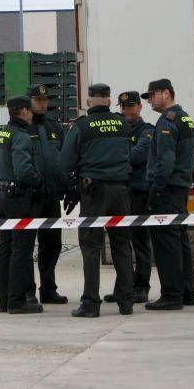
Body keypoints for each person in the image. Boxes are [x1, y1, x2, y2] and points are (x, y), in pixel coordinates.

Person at [58, 83, 134, 318]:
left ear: (89, 101)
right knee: (122, 245)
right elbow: (128, 153)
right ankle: (126, 301)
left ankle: (91, 303)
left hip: (94, 192)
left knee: (91, 247)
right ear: (110, 101)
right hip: (121, 191)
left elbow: (64, 163)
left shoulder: (82, 126)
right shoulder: (122, 123)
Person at [141, 78, 194, 310]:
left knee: (166, 243)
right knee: (180, 240)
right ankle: (187, 292)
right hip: (180, 187)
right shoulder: (184, 117)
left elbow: (165, 161)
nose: (150, 101)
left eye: (152, 95)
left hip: (167, 189)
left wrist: (157, 189)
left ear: (166, 93)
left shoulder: (168, 120)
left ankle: (171, 295)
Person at [0, 95, 44, 314]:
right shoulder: (22, 136)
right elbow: (24, 170)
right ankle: (17, 301)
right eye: (31, 111)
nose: (32, 114)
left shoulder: (3, 133)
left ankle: (3, 300)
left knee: (5, 248)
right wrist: (39, 181)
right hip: (19, 198)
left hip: (4, 194)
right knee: (21, 250)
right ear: (23, 111)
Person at [104, 91, 155, 304]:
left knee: (141, 242)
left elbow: (136, 155)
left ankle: (142, 286)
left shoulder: (147, 132)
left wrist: (114, 158)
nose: (127, 111)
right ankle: (123, 288)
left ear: (140, 108)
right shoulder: (118, 130)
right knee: (121, 243)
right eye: (123, 107)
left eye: (131, 107)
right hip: (121, 193)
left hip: (139, 193)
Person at [24, 83, 69, 306]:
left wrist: (68, 187)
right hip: (30, 197)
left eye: (44, 100)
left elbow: (63, 159)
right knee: (26, 246)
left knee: (52, 245)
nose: (41, 104)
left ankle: (48, 289)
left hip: (52, 196)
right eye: (37, 100)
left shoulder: (55, 127)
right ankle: (28, 292)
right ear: (29, 102)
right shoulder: (23, 128)